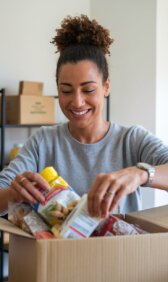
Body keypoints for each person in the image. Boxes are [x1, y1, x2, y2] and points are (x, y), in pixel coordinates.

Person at [0, 15, 168, 219]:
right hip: (60, 251)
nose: (77, 102)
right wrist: (15, 193)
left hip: (120, 250)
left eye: (88, 90)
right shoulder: (42, 142)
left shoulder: (132, 140)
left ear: (106, 87)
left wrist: (141, 174)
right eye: (66, 90)